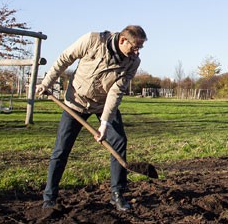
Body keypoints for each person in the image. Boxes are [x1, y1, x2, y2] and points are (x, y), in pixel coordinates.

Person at [36, 25, 147, 211]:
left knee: (118, 141)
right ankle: (49, 197)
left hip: (103, 105)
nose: (137, 52)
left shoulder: (132, 62)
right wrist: (47, 82)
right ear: (122, 41)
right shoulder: (93, 40)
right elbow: (66, 58)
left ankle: (117, 194)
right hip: (76, 102)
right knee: (61, 149)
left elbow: (116, 92)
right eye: (135, 47)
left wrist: (104, 123)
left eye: (140, 48)